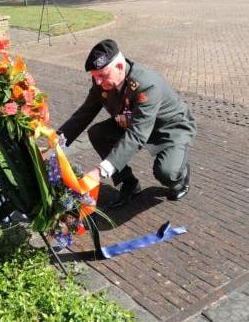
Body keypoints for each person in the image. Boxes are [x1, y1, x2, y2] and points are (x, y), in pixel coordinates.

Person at [58, 39, 196, 208]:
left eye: (102, 75)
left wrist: (101, 171)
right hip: (136, 123)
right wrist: (56, 144)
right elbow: (83, 114)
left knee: (166, 172)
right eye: (95, 77)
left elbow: (137, 134)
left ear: (120, 67)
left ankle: (180, 176)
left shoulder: (146, 85)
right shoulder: (102, 82)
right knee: (98, 133)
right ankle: (129, 183)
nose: (98, 82)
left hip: (169, 127)